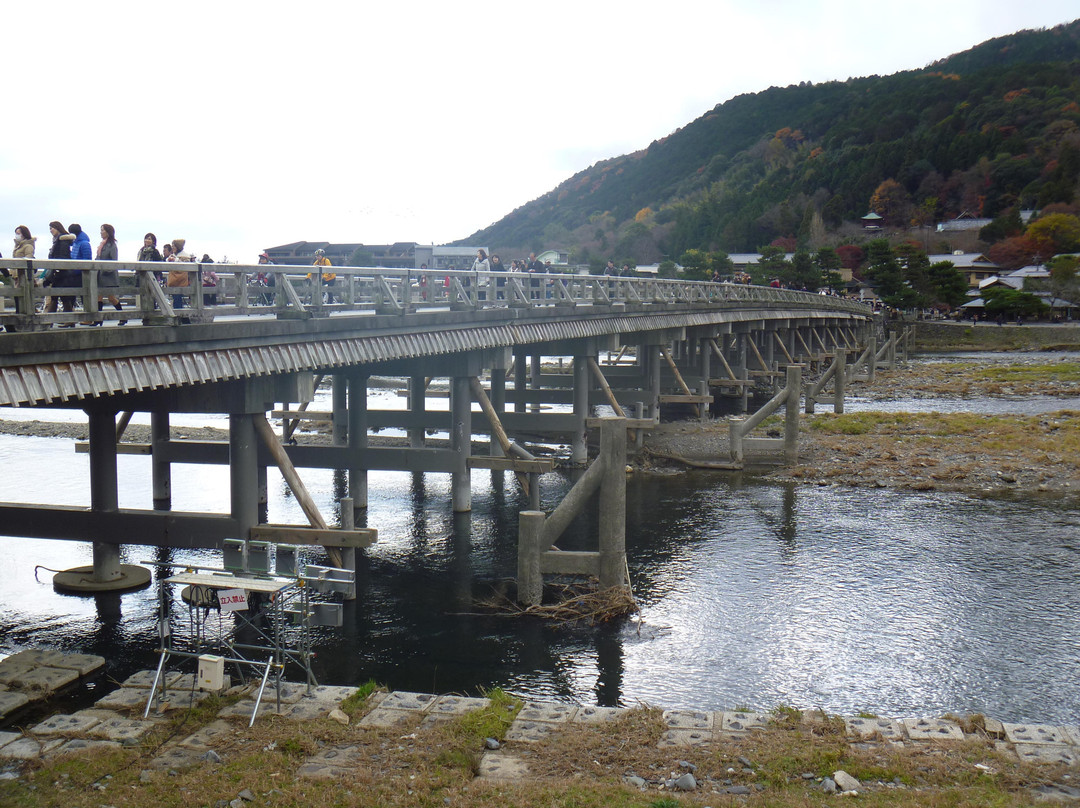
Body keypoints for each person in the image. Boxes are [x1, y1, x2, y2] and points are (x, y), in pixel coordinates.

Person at [84, 223, 125, 325]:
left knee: (111, 298)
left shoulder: (112, 245)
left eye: (103, 230)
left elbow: (114, 261)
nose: (101, 232)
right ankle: (98, 319)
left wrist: (105, 269)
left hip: (108, 276)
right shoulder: (102, 244)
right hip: (99, 275)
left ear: (108, 232)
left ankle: (123, 316)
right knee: (98, 296)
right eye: (101, 230)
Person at [44, 221, 78, 320]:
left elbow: (63, 257)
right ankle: (62, 320)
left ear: (58, 228)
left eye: (52, 228)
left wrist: (57, 269)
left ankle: (53, 320)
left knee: (62, 297)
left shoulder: (62, 241)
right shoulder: (58, 240)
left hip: (62, 273)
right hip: (60, 272)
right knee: (58, 297)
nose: (51, 230)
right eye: (50, 228)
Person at [166, 238, 192, 309]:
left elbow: (186, 267)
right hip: (173, 279)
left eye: (174, 246)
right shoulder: (173, 255)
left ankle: (179, 313)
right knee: (176, 298)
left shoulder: (185, 256)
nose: (172, 248)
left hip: (180, 280)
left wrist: (175, 260)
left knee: (177, 298)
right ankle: (179, 313)